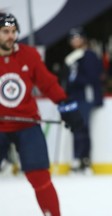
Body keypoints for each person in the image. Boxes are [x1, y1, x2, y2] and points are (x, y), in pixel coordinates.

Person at [0, 13, 83, 216]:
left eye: (13, 31)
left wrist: (64, 103)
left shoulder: (29, 55)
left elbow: (47, 83)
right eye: (5, 32)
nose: (10, 36)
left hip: (27, 123)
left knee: (40, 176)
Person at [64, 27, 104, 171]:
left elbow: (92, 77)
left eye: (78, 37)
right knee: (77, 127)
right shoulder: (72, 56)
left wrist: (75, 81)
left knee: (82, 127)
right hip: (74, 97)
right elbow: (67, 79)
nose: (75, 41)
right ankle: (78, 157)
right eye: (72, 38)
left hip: (86, 97)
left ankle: (83, 159)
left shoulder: (89, 55)